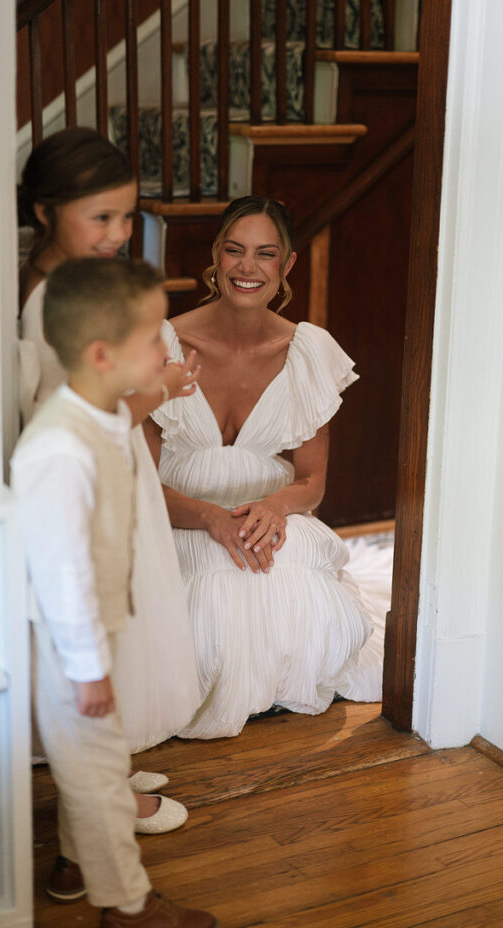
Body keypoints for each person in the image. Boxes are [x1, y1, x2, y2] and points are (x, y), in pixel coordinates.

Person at [11, 259, 217, 927]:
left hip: (96, 631)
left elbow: (127, 413)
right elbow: (61, 571)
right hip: (76, 645)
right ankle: (128, 906)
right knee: (98, 781)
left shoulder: (99, 412)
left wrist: (162, 392)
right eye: (153, 340)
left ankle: (77, 865)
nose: (166, 350)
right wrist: (88, 667)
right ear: (103, 354)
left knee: (93, 767)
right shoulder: (57, 451)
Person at [143, 196, 385, 740]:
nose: (247, 267)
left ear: (287, 265)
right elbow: (140, 485)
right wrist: (210, 517)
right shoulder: (163, 344)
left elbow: (312, 483)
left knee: (294, 582)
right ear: (215, 256)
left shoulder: (308, 350)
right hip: (181, 517)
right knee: (217, 581)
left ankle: (271, 688)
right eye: (234, 250)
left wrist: (274, 508)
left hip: (270, 517)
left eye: (264, 254)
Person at [17, 128, 202, 828]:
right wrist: (163, 387)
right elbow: (78, 415)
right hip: (92, 490)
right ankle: (99, 807)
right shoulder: (55, 300)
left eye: (126, 217)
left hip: (116, 478)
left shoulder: (66, 280)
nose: (119, 233)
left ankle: (109, 770)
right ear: (44, 212)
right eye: (100, 217)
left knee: (128, 630)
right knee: (108, 630)